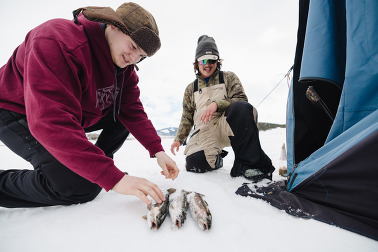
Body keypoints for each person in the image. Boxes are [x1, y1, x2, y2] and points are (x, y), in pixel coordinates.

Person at [0, 2, 179, 208]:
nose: (133, 59)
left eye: (141, 57)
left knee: (120, 114)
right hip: (15, 109)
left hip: (70, 114)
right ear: (114, 25)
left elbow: (133, 111)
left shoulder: (124, 69)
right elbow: (49, 120)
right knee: (78, 186)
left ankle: (95, 165)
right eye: (132, 47)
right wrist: (113, 178)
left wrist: (158, 150)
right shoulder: (56, 39)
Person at [170, 35, 274, 182]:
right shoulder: (190, 89)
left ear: (217, 61)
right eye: (203, 60)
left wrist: (218, 104)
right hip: (203, 132)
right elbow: (187, 116)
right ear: (197, 63)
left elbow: (241, 99)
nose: (207, 64)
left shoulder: (228, 77)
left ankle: (250, 165)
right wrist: (179, 139)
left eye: (211, 60)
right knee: (195, 164)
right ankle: (216, 157)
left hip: (225, 126)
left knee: (242, 108)